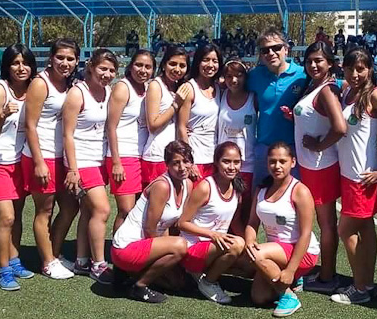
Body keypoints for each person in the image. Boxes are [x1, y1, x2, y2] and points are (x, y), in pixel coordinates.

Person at [330, 47, 377, 305]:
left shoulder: (374, 96)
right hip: (348, 174)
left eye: (360, 68)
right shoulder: (347, 92)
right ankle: (368, 282)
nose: (355, 73)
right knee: (365, 229)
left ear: (370, 70)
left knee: (345, 230)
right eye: (350, 68)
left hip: (362, 177)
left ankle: (360, 286)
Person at [291, 42, 347, 294]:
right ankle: (324, 271)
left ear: (331, 63)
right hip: (310, 166)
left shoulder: (327, 90)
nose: (313, 65)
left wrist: (319, 145)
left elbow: (340, 127)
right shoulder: (315, 87)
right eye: (310, 61)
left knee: (325, 223)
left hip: (320, 166)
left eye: (319, 61)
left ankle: (327, 276)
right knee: (320, 222)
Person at [23, 38, 81, 279]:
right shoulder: (40, 83)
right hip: (41, 156)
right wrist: (38, 162)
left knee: (70, 206)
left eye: (70, 59)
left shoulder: (70, 85)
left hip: (61, 157)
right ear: (51, 58)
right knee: (44, 210)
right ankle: (47, 262)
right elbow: (30, 125)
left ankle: (55, 254)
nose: (65, 63)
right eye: (60, 57)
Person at [0, 43, 37, 291]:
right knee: (6, 217)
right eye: (15, 63)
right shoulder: (0, 90)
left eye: (25, 63)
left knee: (17, 217)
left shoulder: (34, 89)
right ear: (7, 66)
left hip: (19, 161)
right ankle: (3, 270)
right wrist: (3, 115)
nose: (21, 68)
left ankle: (14, 260)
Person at [243, 142, 320, 317]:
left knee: (258, 254)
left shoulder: (300, 191)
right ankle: (290, 281)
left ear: (292, 162)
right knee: (259, 297)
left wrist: (291, 270)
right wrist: (249, 241)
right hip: (278, 252)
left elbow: (306, 233)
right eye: (272, 161)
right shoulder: (261, 189)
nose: (277, 166)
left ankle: (289, 296)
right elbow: (252, 222)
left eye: (282, 161)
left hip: (303, 252)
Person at [62, 48, 118, 284]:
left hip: (98, 160)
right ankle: (98, 264)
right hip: (82, 161)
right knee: (103, 210)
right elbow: (67, 134)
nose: (106, 74)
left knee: (88, 211)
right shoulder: (77, 93)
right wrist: (72, 169)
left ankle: (81, 260)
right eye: (102, 69)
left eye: (112, 70)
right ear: (91, 67)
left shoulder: (108, 92)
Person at [112, 140, 192, 303]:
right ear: (167, 165)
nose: (182, 167)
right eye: (176, 163)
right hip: (126, 248)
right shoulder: (162, 186)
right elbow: (150, 227)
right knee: (180, 246)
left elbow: (167, 225)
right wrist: (162, 253)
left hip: (146, 244)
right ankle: (139, 286)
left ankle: (129, 276)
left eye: (186, 161)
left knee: (178, 283)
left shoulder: (188, 185)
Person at [177, 142, 246, 304]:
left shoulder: (237, 189)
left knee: (250, 261)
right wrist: (213, 234)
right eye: (226, 161)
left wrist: (251, 245)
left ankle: (204, 272)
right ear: (216, 161)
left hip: (214, 246)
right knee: (236, 244)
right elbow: (182, 223)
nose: (232, 167)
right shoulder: (205, 187)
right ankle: (207, 281)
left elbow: (235, 222)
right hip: (193, 246)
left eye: (236, 162)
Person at [248, 28, 308, 186]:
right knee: (259, 196)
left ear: (286, 50)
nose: (271, 53)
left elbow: (332, 85)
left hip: (291, 148)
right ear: (260, 55)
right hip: (264, 149)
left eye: (276, 48)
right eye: (265, 50)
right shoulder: (254, 76)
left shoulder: (303, 75)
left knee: (291, 198)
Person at [107, 50, 155, 231]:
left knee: (137, 209)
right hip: (123, 155)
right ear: (130, 66)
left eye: (148, 67)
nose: (143, 70)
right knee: (126, 210)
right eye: (139, 65)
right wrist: (116, 162)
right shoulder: (123, 87)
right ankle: (117, 250)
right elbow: (111, 127)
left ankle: (131, 247)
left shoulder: (148, 89)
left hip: (141, 155)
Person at [142, 46, 189, 185]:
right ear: (164, 64)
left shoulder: (177, 87)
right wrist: (175, 105)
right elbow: (153, 125)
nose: (177, 69)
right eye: (172, 64)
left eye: (182, 65)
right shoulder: (156, 86)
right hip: (156, 156)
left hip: (173, 155)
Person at [217, 58, 257, 217]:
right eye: (229, 76)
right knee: (223, 210)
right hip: (223, 164)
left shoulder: (254, 98)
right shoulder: (220, 94)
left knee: (243, 211)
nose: (234, 80)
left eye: (239, 75)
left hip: (247, 164)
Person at [177, 43, 223, 184]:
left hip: (215, 158)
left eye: (214, 61)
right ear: (197, 62)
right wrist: (189, 161)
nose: (210, 65)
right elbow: (182, 127)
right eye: (205, 60)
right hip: (197, 159)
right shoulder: (189, 88)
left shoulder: (220, 88)